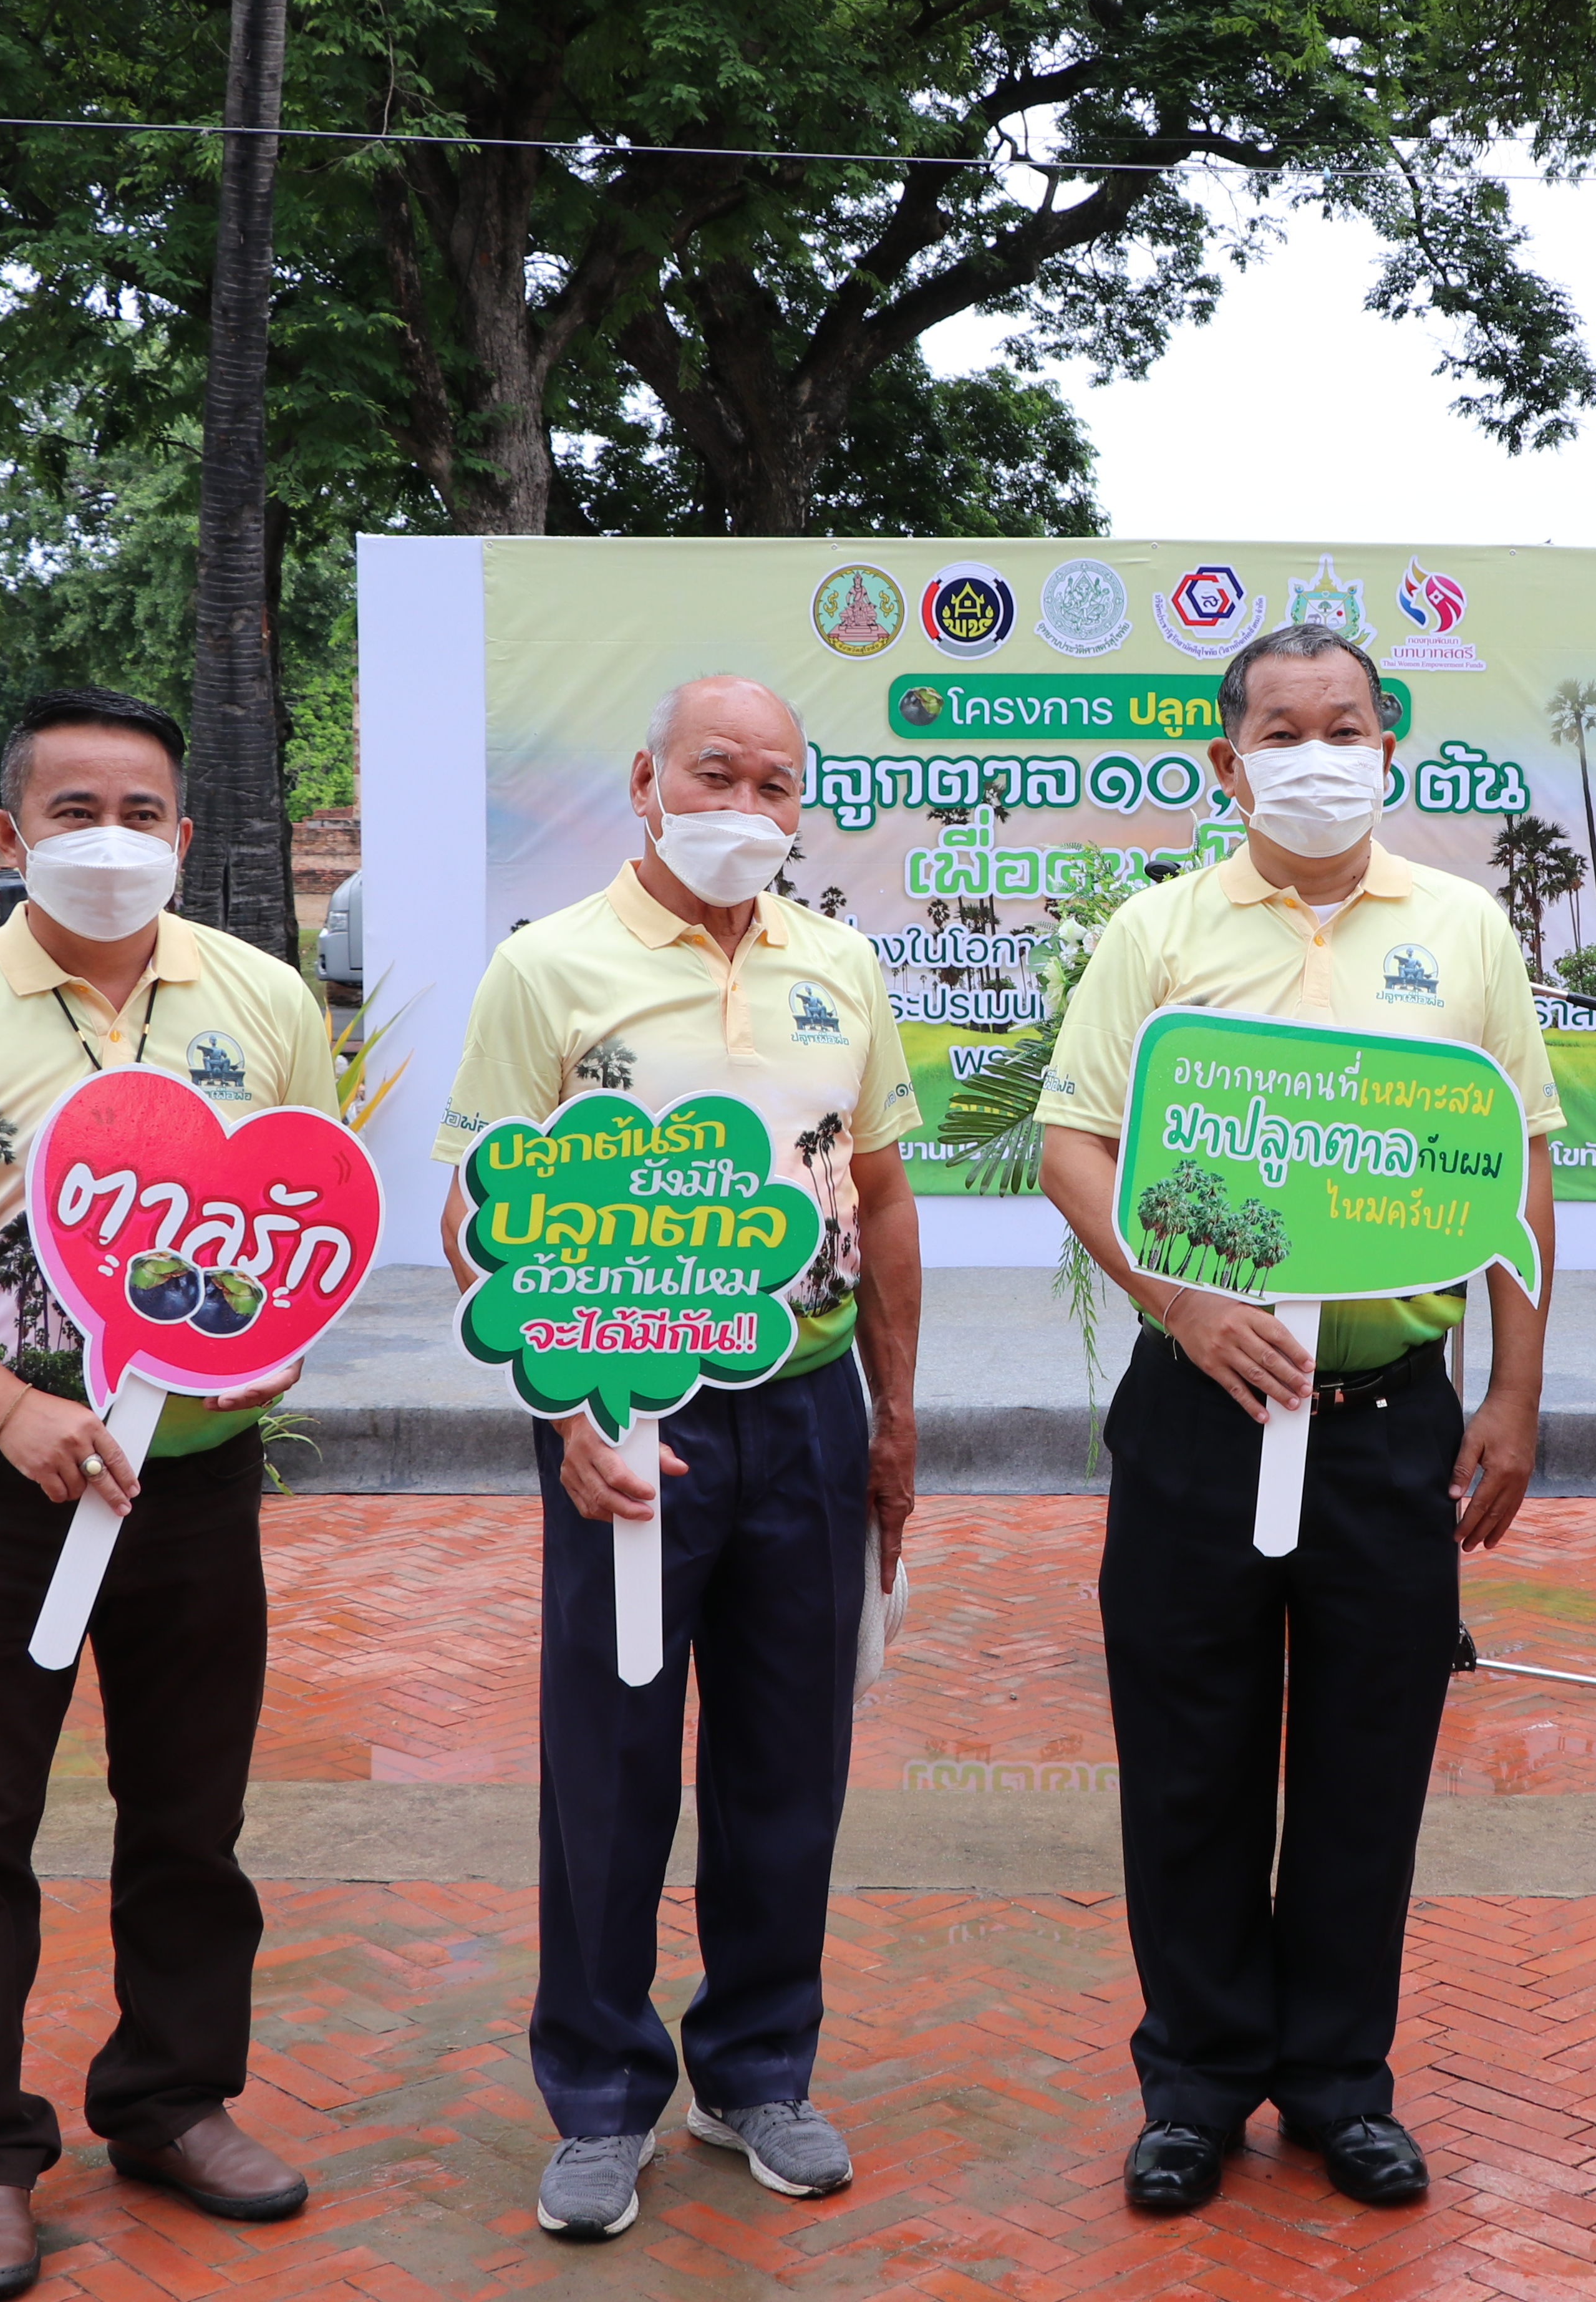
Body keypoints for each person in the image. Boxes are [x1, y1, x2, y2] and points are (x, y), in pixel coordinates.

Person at [0, 689, 334, 2300]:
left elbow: (296, 1214)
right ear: (7, 837)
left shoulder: (268, 1002)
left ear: (187, 831)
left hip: (196, 1492)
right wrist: (7, 1404)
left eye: (143, 812)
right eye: (75, 812)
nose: (114, 841)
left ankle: (173, 2101)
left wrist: (272, 1358)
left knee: (191, 1818)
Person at [1032, 623, 1556, 2217]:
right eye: (1283, 726)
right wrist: (1179, 1302)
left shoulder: (1462, 931)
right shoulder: (1160, 929)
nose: (1315, 749)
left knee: (1363, 1765)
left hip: (1392, 1419)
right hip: (1199, 1414)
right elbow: (1071, 1140)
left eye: (1344, 723)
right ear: (1227, 757)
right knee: (1186, 1769)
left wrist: (1518, 1389)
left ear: (1387, 744)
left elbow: (1522, 1157)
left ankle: (1338, 2083)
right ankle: (1193, 2082)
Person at [432, 674, 923, 2243]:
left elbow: (885, 1196)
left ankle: (757, 2070)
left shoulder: (838, 961)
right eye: (718, 774)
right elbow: (474, 1209)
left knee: (790, 1760)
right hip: (631, 1415)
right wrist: (570, 1419)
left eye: (778, 785)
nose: (748, 809)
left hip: (809, 1404)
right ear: (645, 779)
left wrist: (893, 1421)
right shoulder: (549, 966)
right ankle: (597, 2095)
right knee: (611, 1762)